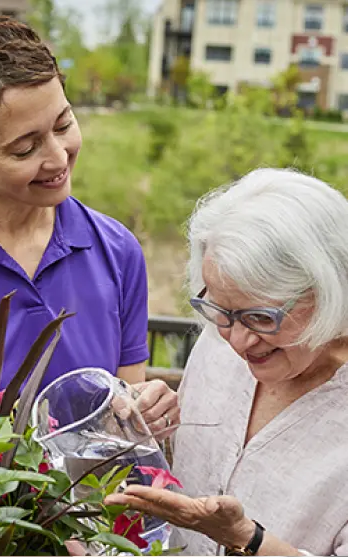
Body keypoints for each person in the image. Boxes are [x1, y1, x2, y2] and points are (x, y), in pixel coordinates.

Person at [0, 10, 177, 434]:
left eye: (64, 124)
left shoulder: (117, 252)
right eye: (25, 149)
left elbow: (123, 428)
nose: (58, 158)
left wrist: (144, 417)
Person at [105, 168, 348, 556]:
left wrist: (247, 539)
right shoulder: (225, 336)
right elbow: (192, 468)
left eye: (262, 317)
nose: (237, 341)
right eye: (221, 310)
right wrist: (154, 426)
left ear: (330, 289)